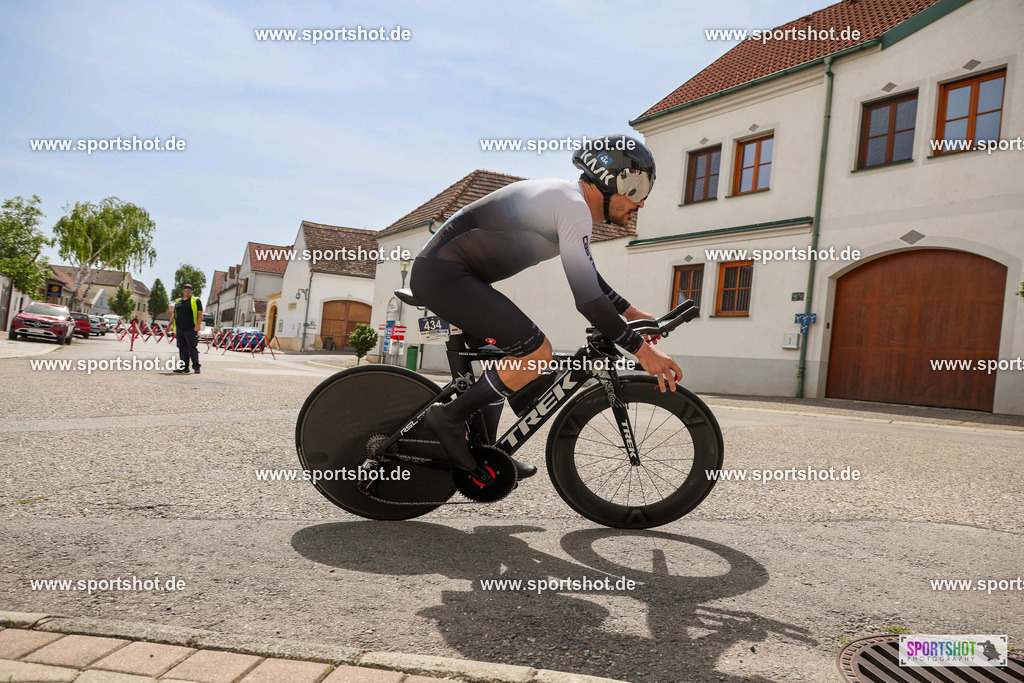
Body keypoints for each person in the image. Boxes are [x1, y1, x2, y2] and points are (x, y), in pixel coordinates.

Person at [410, 134, 682, 479]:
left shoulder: (568, 201)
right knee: (537, 353)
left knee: (510, 363)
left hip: (454, 276)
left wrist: (631, 313)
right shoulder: (572, 206)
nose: (640, 203)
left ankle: (486, 454)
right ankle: (447, 418)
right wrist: (641, 351)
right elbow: (587, 299)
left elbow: (589, 277)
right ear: (610, 180)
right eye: (637, 190)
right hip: (444, 276)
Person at [171, 284, 203, 374]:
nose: (187, 291)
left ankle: (196, 367)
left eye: (189, 289)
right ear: (182, 291)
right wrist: (169, 325)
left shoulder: (196, 300)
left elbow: (200, 313)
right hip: (180, 328)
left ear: (192, 291)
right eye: (185, 289)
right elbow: (174, 314)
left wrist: (198, 325)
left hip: (191, 328)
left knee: (192, 348)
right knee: (182, 348)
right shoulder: (178, 301)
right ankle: (184, 367)